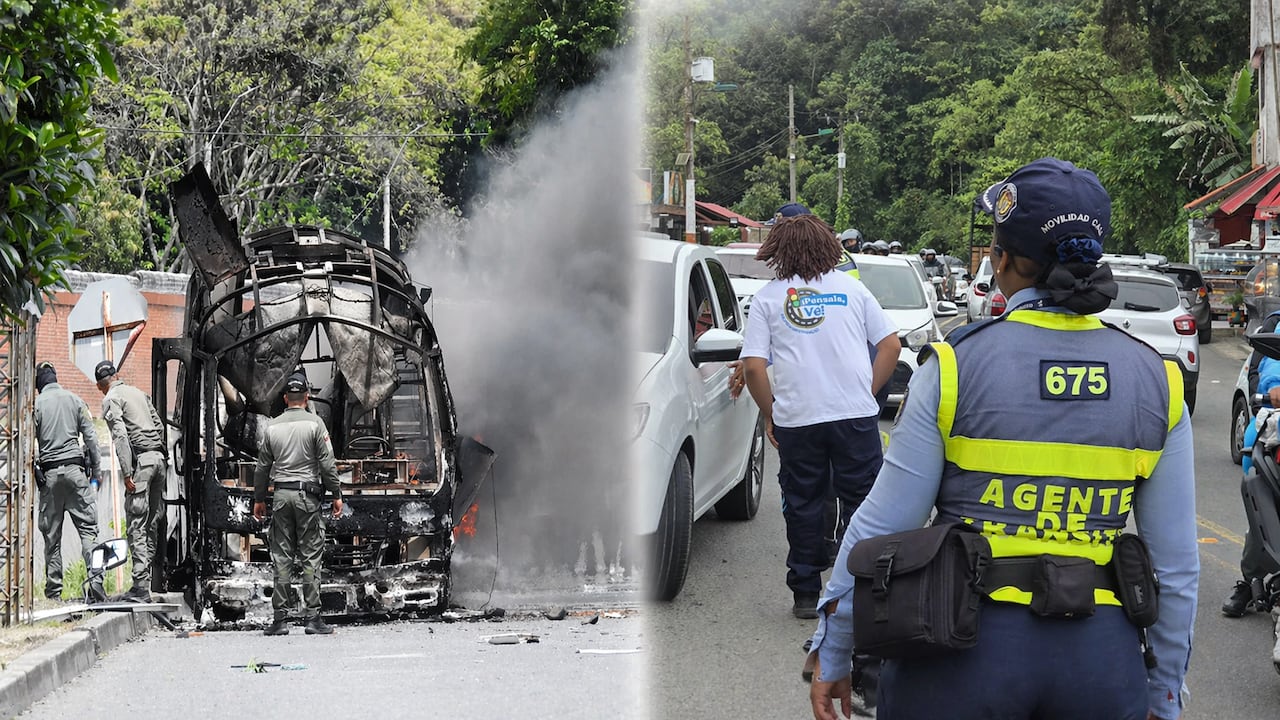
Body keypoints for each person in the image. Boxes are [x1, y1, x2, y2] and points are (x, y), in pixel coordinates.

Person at [808, 158, 1197, 720]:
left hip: (958, 653)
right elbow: (1178, 569)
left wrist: (835, 646)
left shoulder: (954, 366)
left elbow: (880, 527)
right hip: (1099, 665)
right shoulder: (1157, 380)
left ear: (1002, 260)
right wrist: (1162, 692)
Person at [739, 212, 901, 620]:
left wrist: (770, 412)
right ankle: (857, 587)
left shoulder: (769, 298)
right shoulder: (852, 289)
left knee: (803, 502)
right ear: (829, 247)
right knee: (862, 503)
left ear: (779, 251)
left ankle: (806, 594)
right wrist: (866, 392)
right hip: (855, 417)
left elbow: (755, 367)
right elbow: (891, 346)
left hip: (799, 419)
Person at [253, 371, 342, 636]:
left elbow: (262, 468)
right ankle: (312, 618)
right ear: (306, 397)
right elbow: (327, 464)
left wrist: (259, 499)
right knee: (310, 556)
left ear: (284, 398)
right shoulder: (316, 424)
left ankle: (280, 620)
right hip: (308, 497)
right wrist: (336, 494)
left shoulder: (272, 427)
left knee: (282, 556)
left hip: (281, 496)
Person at [95, 360, 167, 602]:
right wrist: (158, 452)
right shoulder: (139, 393)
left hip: (141, 465)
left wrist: (127, 472)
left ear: (99, 386)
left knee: (137, 523)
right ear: (117, 375)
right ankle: (150, 580)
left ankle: (140, 586)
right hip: (158, 459)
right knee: (152, 522)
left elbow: (120, 437)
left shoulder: (111, 399)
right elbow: (159, 425)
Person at [1224, 309, 1280, 617]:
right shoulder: (1275, 323)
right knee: (1264, 506)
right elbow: (1262, 370)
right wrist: (1272, 391)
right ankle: (1250, 581)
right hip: (1274, 425)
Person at [34, 362, 104, 602]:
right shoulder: (75, 400)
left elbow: (26, 443)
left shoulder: (36, 405)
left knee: (52, 538)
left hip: (50, 476)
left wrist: (35, 467)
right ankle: (96, 583)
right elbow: (92, 439)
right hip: (76, 473)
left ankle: (54, 594)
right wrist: (97, 472)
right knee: (88, 531)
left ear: (38, 385)